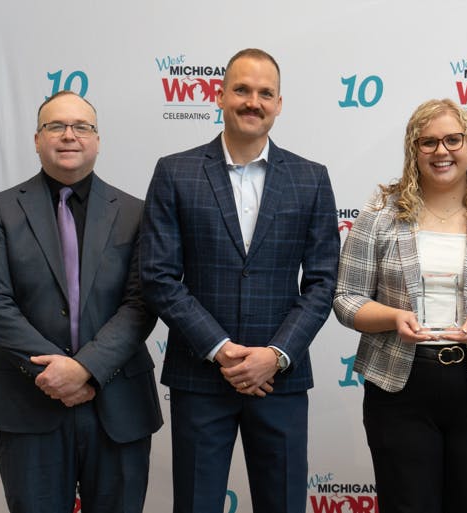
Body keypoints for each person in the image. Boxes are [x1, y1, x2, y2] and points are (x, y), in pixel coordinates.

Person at [140, 48, 339, 513]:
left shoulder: (311, 179)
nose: (254, 102)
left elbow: (323, 282)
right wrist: (223, 350)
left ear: (279, 103)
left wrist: (276, 355)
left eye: (265, 93)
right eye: (242, 90)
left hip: (281, 381)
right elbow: (159, 277)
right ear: (220, 95)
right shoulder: (176, 172)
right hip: (201, 375)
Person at [333, 98, 467, 513]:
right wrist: (394, 317)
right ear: (413, 150)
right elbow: (346, 299)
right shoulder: (379, 215)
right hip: (399, 390)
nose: (441, 151)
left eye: (452, 139)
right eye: (427, 142)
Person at [0, 91, 161, 513]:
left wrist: (85, 369)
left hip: (118, 404)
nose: (69, 136)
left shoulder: (135, 212)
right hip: (28, 401)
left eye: (82, 127)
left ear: (97, 140)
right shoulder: (2, 210)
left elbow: (141, 304)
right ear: (37, 140)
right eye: (56, 126)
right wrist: (57, 371)